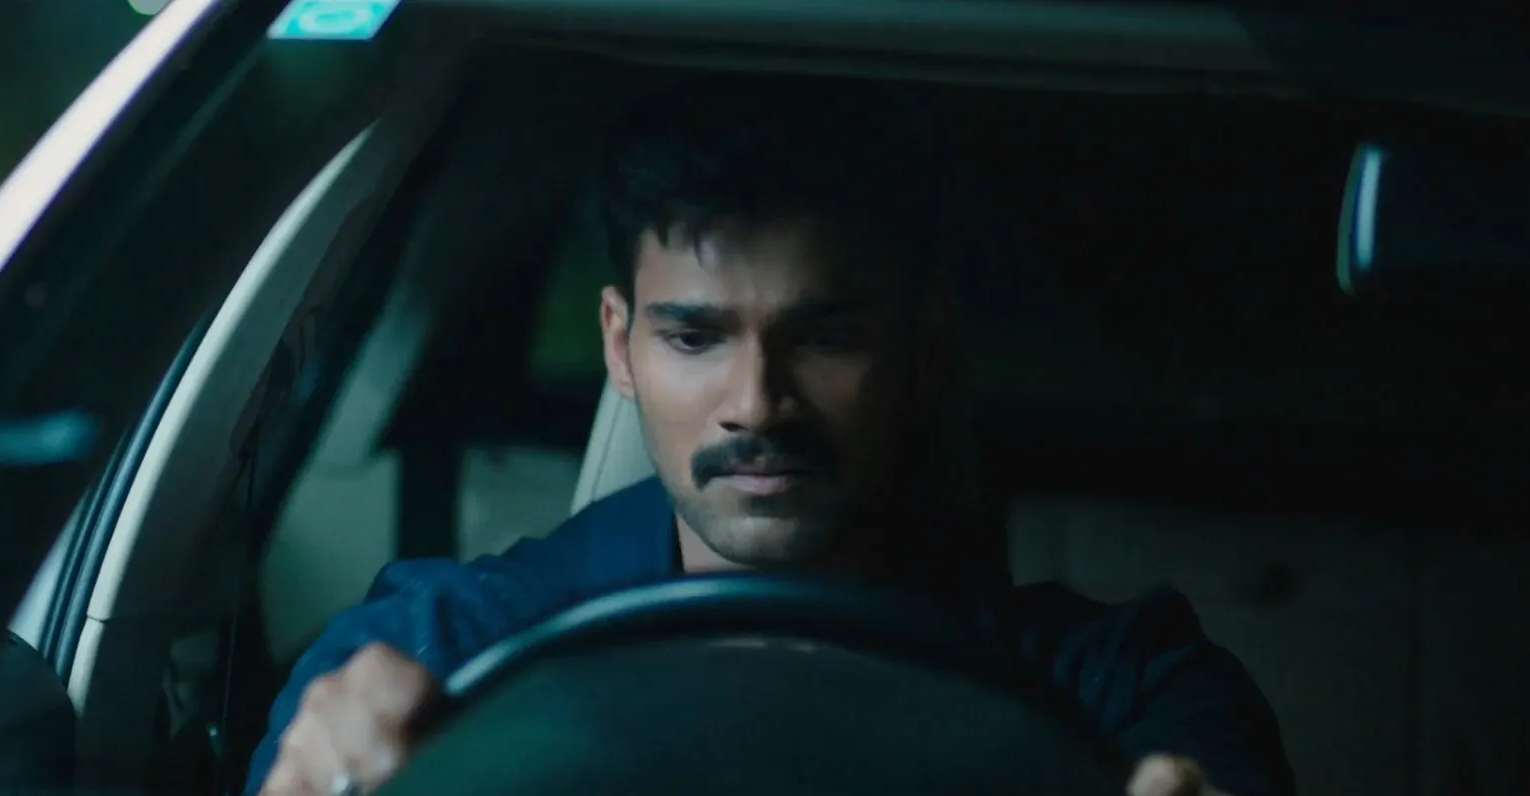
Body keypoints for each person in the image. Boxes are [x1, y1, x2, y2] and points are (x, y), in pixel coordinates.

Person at [250, 74, 1295, 796]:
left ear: (926, 348)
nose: (757, 403)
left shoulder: (1124, 691)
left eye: (825, 337)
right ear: (620, 345)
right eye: (694, 336)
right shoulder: (432, 657)